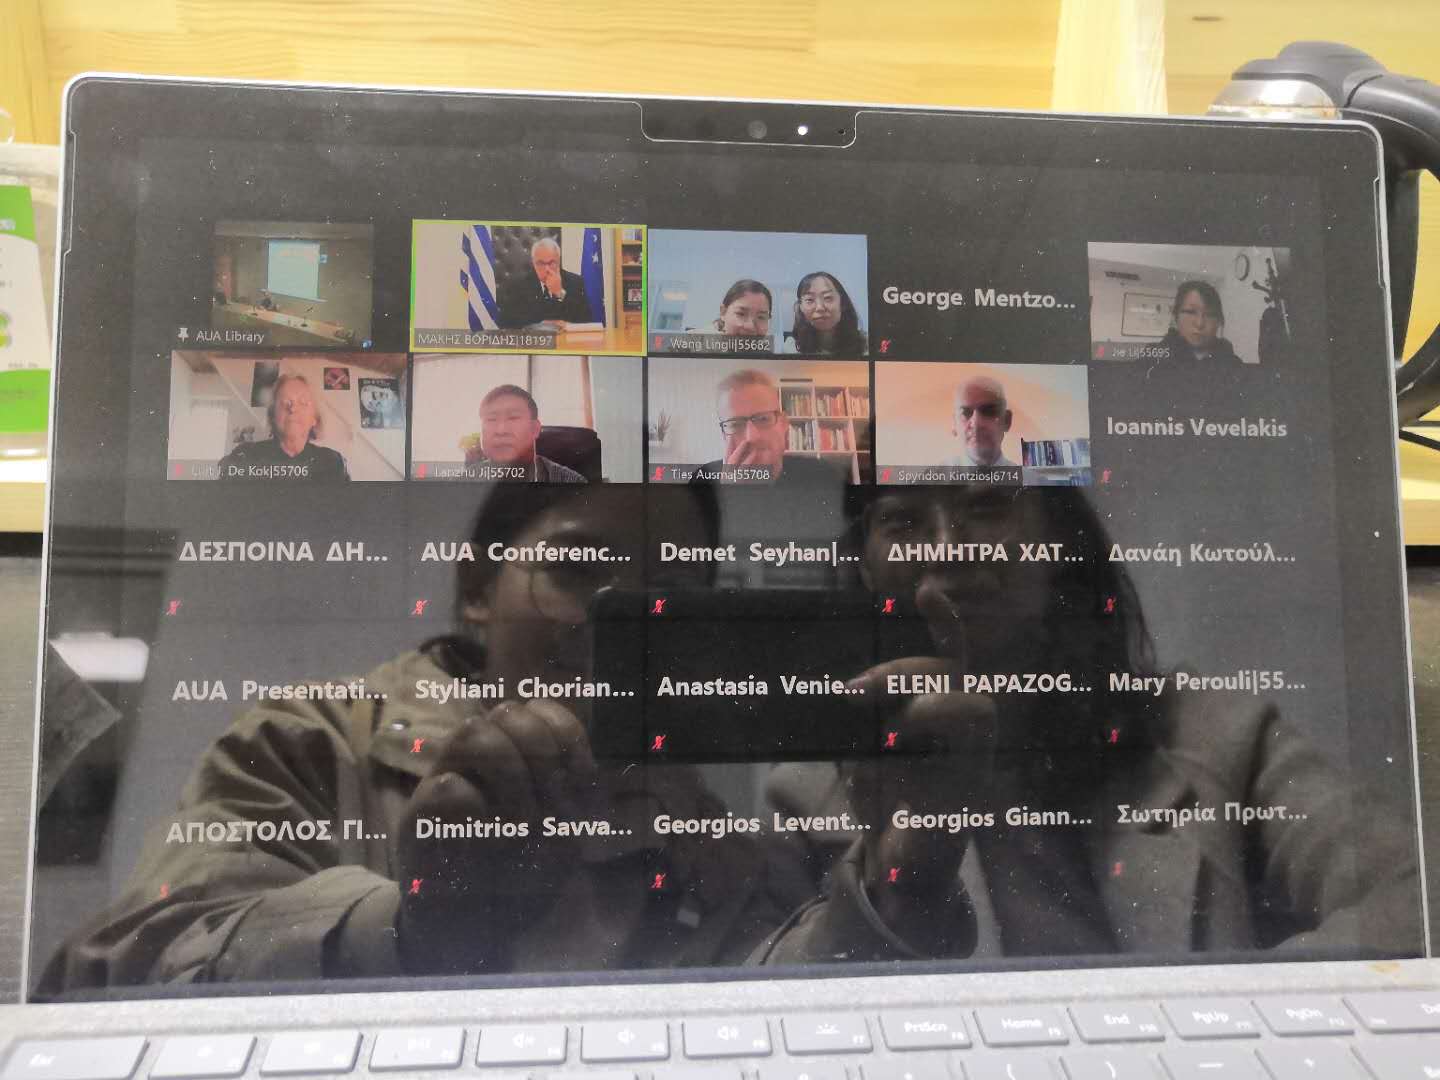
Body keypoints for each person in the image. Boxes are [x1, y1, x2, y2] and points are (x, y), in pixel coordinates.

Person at [37, 485, 815, 990]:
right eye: (577, 568)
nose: (620, 620)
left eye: (670, 591)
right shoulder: (309, 741)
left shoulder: (715, 838)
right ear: (478, 588)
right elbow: (103, 982)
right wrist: (408, 928)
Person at [754, 485, 1421, 963]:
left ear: (1060, 541)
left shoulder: (1218, 733)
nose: (948, 549)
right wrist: (894, 890)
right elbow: (744, 1004)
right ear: (864, 565)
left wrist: (1208, 1036)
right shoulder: (800, 796)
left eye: (987, 504)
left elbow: (1417, 892)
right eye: (902, 520)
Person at [692, 369, 843, 486]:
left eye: (763, 419)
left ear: (783, 424)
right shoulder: (703, 478)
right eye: (736, 424)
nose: (752, 437)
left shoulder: (823, 475)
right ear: (724, 435)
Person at [216, 373, 350, 481]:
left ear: (315, 418)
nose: (293, 408)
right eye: (285, 402)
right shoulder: (246, 457)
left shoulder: (332, 462)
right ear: (273, 415)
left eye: (303, 402)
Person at [467, 384, 586, 483]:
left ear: (535, 429)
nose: (501, 430)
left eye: (513, 417)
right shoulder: (463, 482)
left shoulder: (571, 483)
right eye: (491, 419)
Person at [495, 236, 593, 330]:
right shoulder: (518, 286)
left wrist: (560, 293)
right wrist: (539, 325)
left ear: (559, 261)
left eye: (551, 263)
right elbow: (505, 323)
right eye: (541, 263)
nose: (547, 269)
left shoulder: (575, 282)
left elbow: (586, 321)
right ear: (533, 262)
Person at [1154, 280, 1244, 364]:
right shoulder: (1152, 360)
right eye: (1191, 312)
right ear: (1175, 317)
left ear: (1218, 321)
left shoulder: (1233, 364)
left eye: (1209, 314)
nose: (1199, 323)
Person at [782, 272, 867, 356]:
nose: (820, 308)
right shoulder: (792, 348)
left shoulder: (867, 345)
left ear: (842, 303)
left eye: (827, 297)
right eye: (810, 300)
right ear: (801, 307)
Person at [940, 376, 1016, 468]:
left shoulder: (1029, 477)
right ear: (954, 424)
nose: (976, 423)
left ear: (1007, 420)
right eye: (965, 413)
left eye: (988, 411)